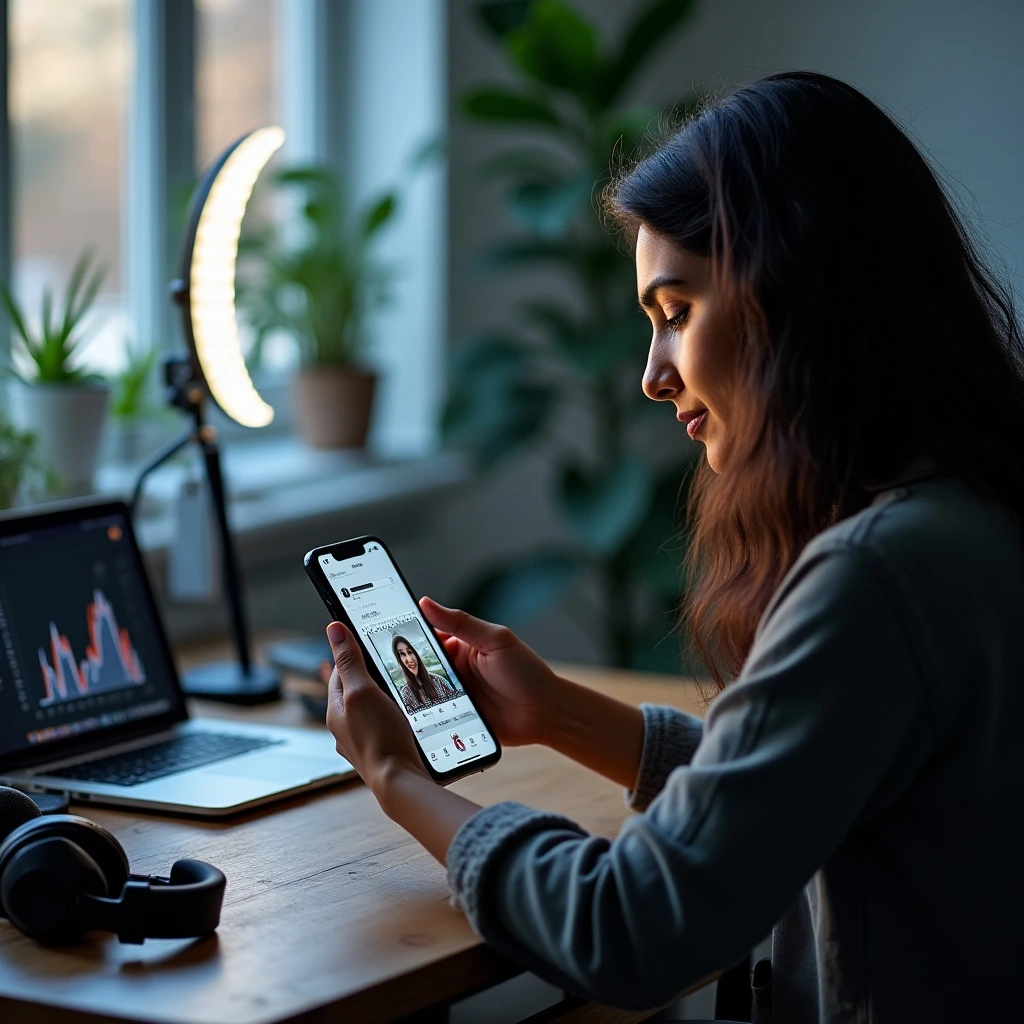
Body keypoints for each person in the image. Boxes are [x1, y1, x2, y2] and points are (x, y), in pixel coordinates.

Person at [320, 71, 1024, 1022]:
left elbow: (630, 928)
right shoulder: (970, 514)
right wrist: (560, 713)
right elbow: (804, 776)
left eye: (677, 311)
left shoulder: (879, 575)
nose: (654, 375)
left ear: (795, 294)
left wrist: (397, 777)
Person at [391, 634, 458, 712]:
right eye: (402, 654)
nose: (409, 659)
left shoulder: (439, 681)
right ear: (399, 661)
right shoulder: (406, 693)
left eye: (409, 652)